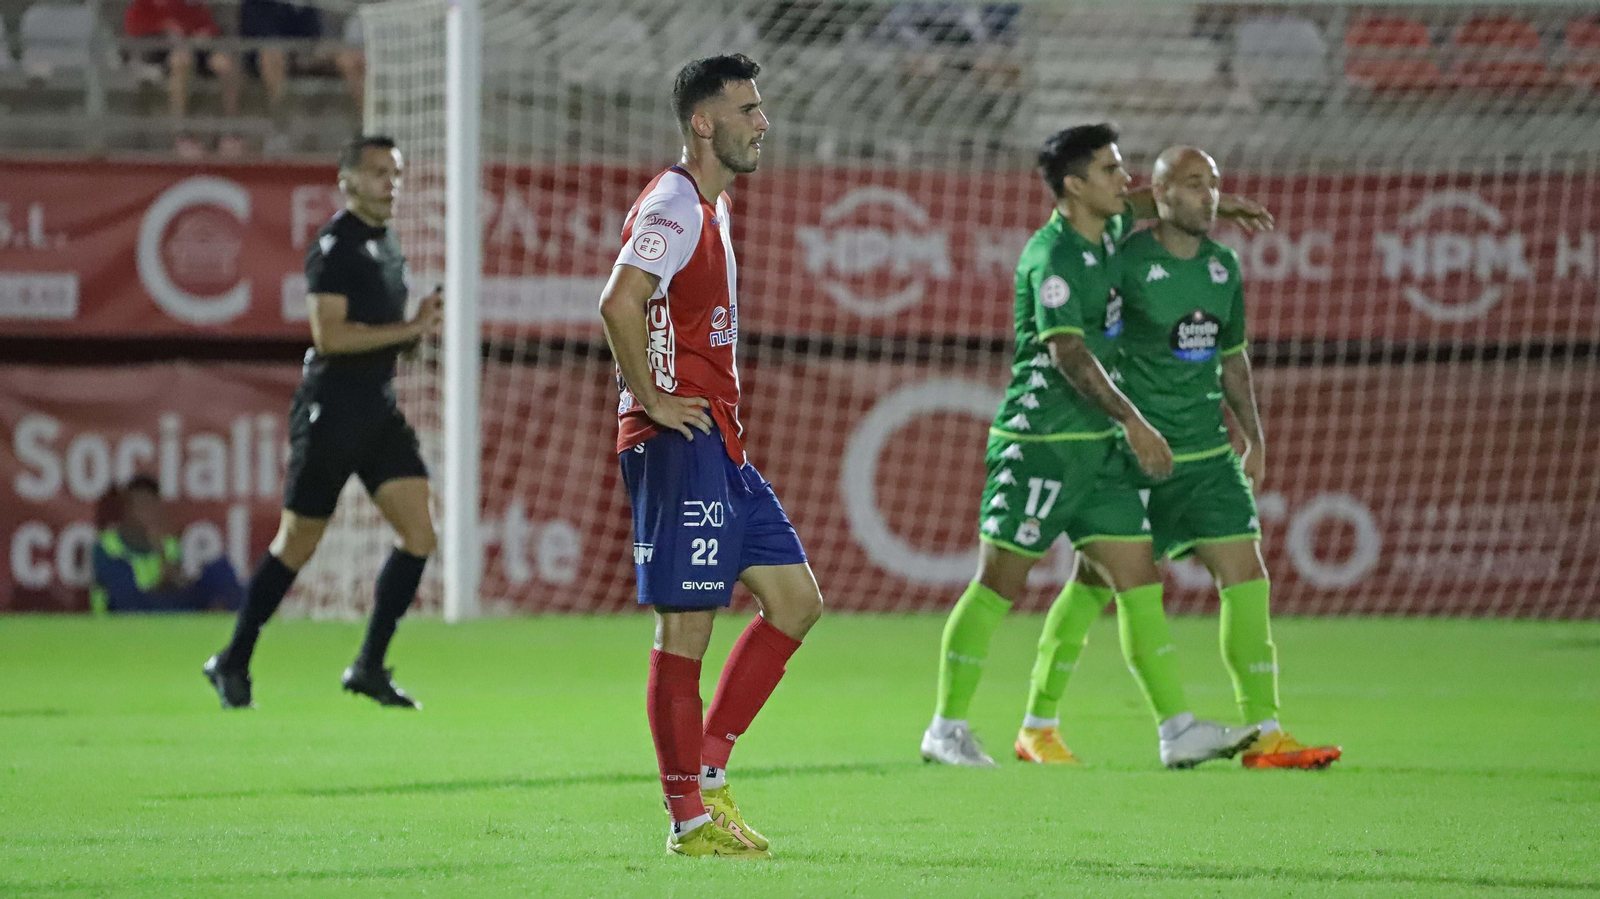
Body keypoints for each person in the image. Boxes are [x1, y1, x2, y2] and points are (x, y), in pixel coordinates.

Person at [921, 124, 1277, 771]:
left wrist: (1216, 205)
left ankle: (1176, 729)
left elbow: (1147, 204)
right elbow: (1069, 354)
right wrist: (1136, 421)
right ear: (1076, 185)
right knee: (998, 585)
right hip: (1042, 444)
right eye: (1112, 170)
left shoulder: (1106, 233)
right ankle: (946, 726)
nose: (1127, 180)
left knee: (1139, 583)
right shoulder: (1052, 256)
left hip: (1100, 455)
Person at [598, 54, 823, 859]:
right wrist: (651, 399)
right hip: (677, 440)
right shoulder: (676, 204)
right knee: (685, 626)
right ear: (704, 122)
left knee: (796, 601)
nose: (763, 122)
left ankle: (711, 767)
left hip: (719, 442)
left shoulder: (713, 208)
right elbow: (618, 302)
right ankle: (688, 819)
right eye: (748, 109)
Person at [1081, 145, 1341, 769]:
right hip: (1138, 456)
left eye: (1215, 185)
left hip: (1208, 457)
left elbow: (1233, 358)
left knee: (1247, 578)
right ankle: (1041, 717)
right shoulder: (1125, 256)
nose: (1210, 196)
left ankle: (1267, 732)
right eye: (1193, 185)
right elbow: (1091, 227)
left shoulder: (1224, 266)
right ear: (1160, 192)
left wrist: (1253, 435)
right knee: (1096, 587)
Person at [203, 135, 443, 711]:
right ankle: (233, 658)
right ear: (348, 181)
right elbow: (329, 336)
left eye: (396, 171)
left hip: (376, 407)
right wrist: (407, 332)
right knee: (298, 542)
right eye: (378, 172)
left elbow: (377, 334)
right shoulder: (334, 245)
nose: (390, 182)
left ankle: (368, 667)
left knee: (419, 534)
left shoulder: (386, 244)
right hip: (332, 407)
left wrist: (414, 330)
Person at [89, 475, 242, 614]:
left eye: (151, 506)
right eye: (141, 506)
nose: (147, 513)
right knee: (122, 573)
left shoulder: (168, 544)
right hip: (128, 617)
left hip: (162, 609)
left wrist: (166, 562)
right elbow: (124, 597)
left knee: (220, 570)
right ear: (127, 510)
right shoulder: (106, 545)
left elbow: (174, 587)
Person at [122, 0, 242, 157]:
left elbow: (207, 24)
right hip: (162, 48)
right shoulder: (145, 3)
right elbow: (133, 26)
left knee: (226, 65)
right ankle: (181, 133)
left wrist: (205, 32)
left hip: (196, 45)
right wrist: (163, 27)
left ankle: (230, 131)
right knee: (181, 60)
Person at [240, 0, 365, 145]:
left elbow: (313, 34)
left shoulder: (303, 4)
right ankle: (281, 123)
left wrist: (313, 49)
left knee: (348, 58)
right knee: (272, 53)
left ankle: (366, 125)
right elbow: (259, 33)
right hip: (261, 54)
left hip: (302, 50)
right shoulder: (256, 4)